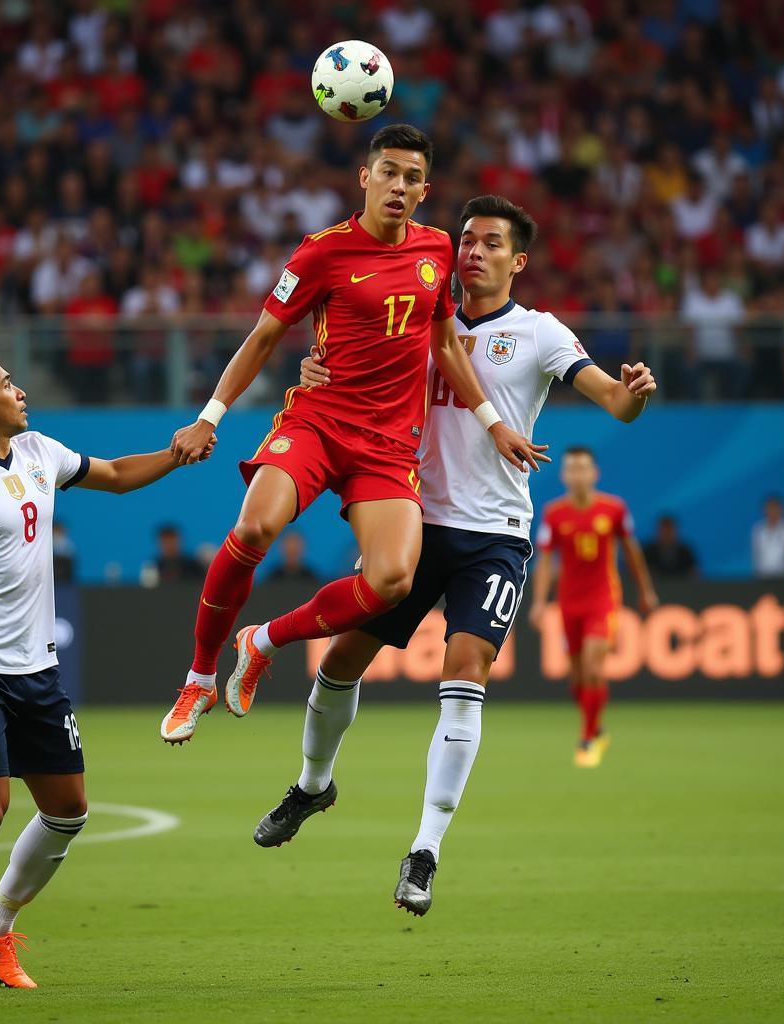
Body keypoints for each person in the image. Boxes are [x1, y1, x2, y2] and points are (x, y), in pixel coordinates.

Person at [250, 195, 656, 916]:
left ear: (517, 261)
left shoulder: (537, 333)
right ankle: (313, 784)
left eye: (491, 243)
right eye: (466, 240)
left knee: (465, 670)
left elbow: (611, 404)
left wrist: (631, 399)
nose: (473, 251)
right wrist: (311, 374)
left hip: (494, 533)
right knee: (341, 661)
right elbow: (339, 370)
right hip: (408, 520)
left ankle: (425, 849)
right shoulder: (413, 313)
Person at [159, 125, 546, 744]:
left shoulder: (438, 250)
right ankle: (198, 678)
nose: (399, 185)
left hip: (389, 445)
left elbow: (445, 344)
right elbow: (263, 337)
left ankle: (260, 642)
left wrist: (493, 422)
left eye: (413, 177)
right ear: (364, 178)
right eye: (388, 172)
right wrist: (210, 416)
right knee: (256, 527)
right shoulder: (320, 252)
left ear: (425, 190)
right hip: (319, 421)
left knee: (392, 581)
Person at [0, 346, 213, 995]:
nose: (19, 390)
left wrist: (176, 453)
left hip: (37, 671)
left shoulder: (39, 453)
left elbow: (112, 473)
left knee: (68, 810)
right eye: (5, 383)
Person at [529, 448, 658, 767]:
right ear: (563, 476)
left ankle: (587, 740)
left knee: (593, 666)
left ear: (594, 474)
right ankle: (596, 727)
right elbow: (545, 562)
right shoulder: (554, 514)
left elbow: (631, 552)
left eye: (583, 468)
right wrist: (539, 602)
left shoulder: (614, 509)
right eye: (572, 469)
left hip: (603, 599)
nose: (577, 474)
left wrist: (646, 591)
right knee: (577, 677)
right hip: (569, 602)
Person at [751, 495, 784, 578]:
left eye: (775, 508)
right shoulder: (758, 531)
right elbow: (756, 556)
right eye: (770, 508)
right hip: (762, 578)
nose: (772, 511)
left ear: (782, 509)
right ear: (764, 510)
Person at [642, 513, 699, 578]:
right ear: (658, 531)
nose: (667, 534)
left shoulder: (685, 551)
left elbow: (694, 573)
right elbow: (642, 573)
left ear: (676, 531)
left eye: (670, 530)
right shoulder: (648, 551)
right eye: (664, 530)